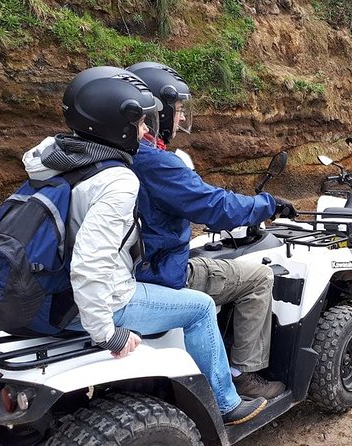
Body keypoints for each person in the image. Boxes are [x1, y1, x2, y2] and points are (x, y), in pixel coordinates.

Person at [21, 66, 265, 425]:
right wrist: (108, 334)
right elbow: (90, 264)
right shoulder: (116, 179)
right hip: (90, 302)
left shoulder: (54, 160)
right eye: (139, 123)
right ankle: (227, 403)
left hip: (40, 297)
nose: (147, 130)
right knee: (200, 307)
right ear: (118, 124)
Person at [126, 61, 296, 399]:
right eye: (175, 111)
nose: (180, 119)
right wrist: (267, 204)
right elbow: (214, 206)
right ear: (155, 113)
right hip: (161, 275)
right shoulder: (155, 162)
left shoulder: (110, 154)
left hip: (132, 269)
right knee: (258, 278)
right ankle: (244, 373)